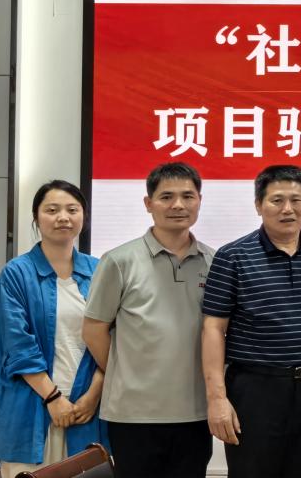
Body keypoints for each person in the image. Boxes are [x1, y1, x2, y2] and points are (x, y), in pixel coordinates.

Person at [202, 164, 301, 478]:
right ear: (258, 205)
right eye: (277, 200)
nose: (287, 209)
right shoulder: (233, 256)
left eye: (296, 200)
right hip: (255, 391)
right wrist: (217, 399)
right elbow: (213, 329)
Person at [82, 163, 214, 478]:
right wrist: (128, 370)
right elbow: (94, 330)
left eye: (188, 196)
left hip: (196, 412)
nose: (178, 205)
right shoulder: (119, 261)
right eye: (166, 197)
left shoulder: (214, 261)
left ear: (199, 201)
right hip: (133, 414)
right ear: (148, 203)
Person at [0, 181, 108, 477]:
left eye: (72, 210)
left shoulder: (100, 270)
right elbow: (18, 345)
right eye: (52, 210)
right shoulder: (16, 273)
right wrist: (53, 398)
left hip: (87, 408)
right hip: (32, 407)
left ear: (83, 216)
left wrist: (93, 395)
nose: (63, 217)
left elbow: (115, 340)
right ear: (36, 217)